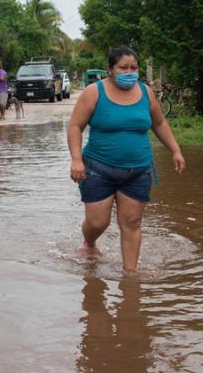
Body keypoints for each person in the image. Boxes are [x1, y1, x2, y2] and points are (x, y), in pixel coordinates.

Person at [67, 45, 186, 272]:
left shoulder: (146, 92)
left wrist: (175, 150)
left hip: (138, 170)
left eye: (134, 67)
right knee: (97, 222)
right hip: (98, 169)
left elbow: (159, 123)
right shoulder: (94, 92)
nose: (129, 72)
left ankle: (130, 276)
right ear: (110, 69)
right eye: (123, 68)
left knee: (132, 223)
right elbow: (75, 126)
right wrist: (76, 159)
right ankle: (90, 243)